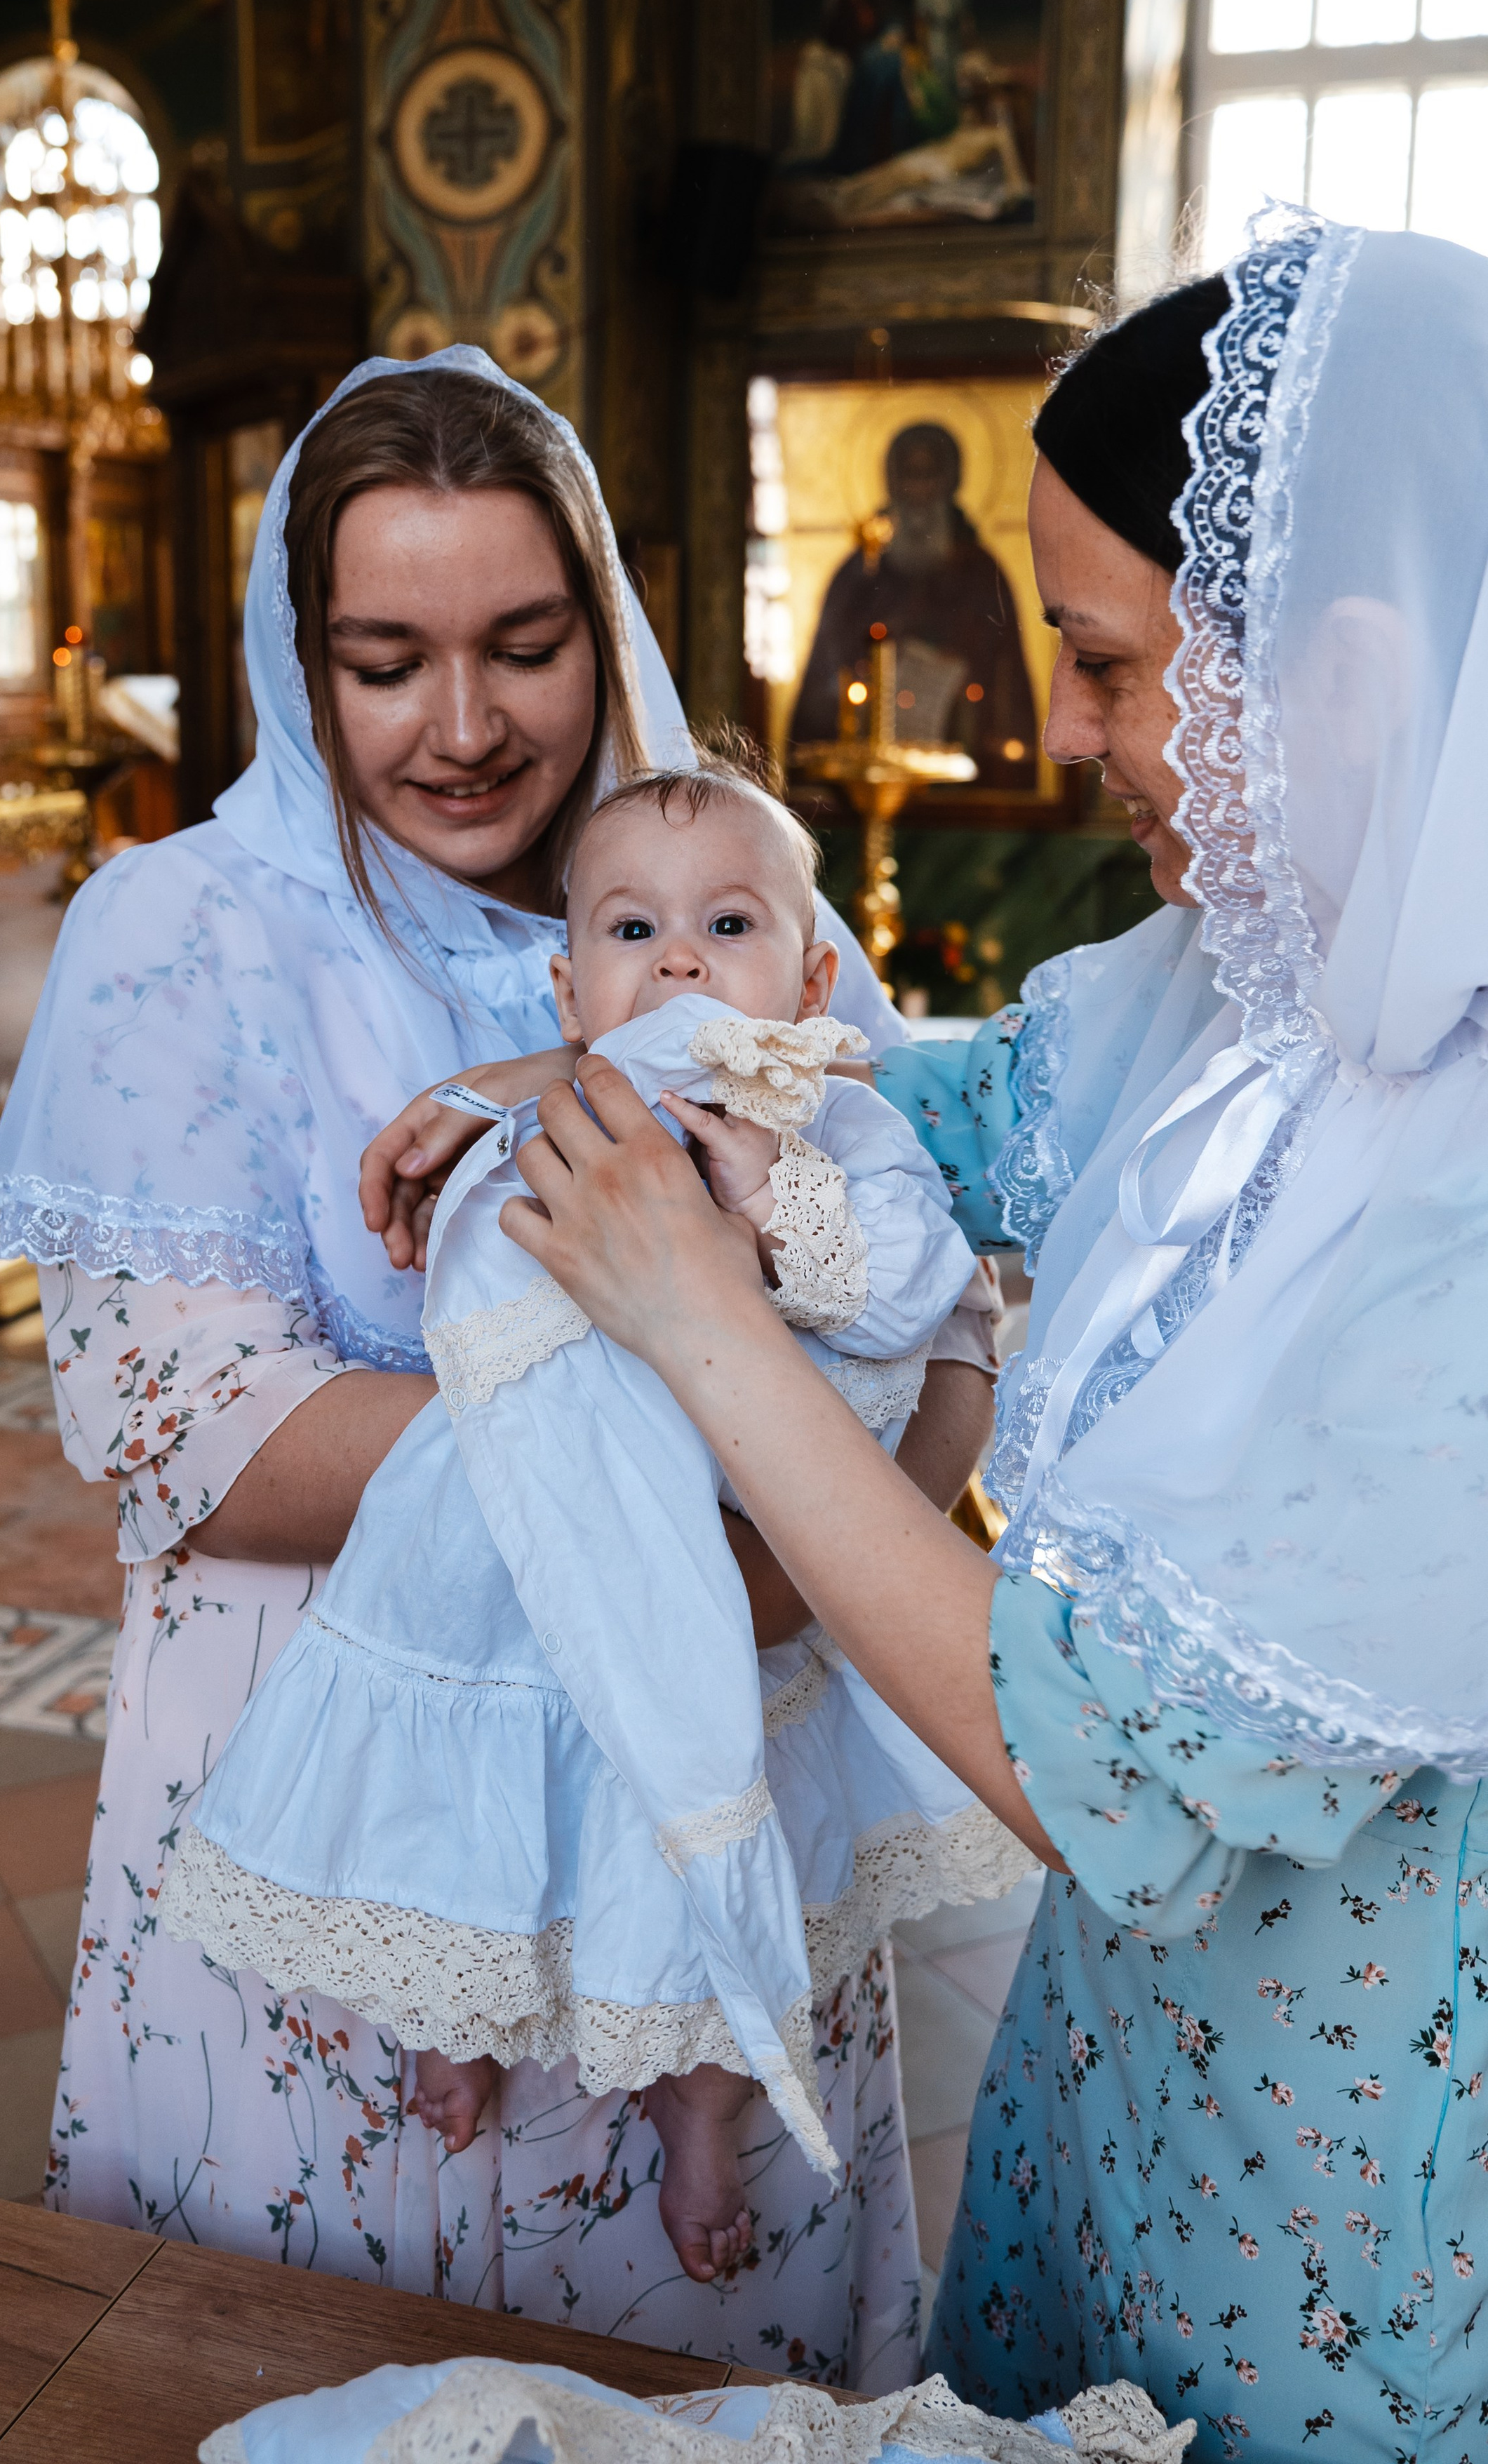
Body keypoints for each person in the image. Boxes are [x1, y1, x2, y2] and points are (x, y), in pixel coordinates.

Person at [473, 214, 1488, 2454]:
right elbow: (920, 1094)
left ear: (1339, 664)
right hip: (1104, 2084)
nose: (1056, 726)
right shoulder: (1224, 984)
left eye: (1106, 662)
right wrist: (608, 1068)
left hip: (1353, 2222)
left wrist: (704, 1335)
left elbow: (1100, 1769)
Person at [0, 347, 1003, 2385]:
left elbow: (943, 1317)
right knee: (336, 2372)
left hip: (725, 1752)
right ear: (299, 658)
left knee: (696, 2386)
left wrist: (775, 1507)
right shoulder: (177, 929)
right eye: (384, 660)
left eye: (523, 646)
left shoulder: (728, 891)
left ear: (602, 627)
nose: (460, 728)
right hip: (369, 1795)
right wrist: (701, 1461)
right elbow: (192, 1426)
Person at [162, 759, 1026, 2286]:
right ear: (570, 988)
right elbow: (482, 1285)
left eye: (729, 923)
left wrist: (770, 1193)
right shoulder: (560, 1112)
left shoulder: (832, 1127)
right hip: (529, 1554)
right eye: (631, 928)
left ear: (812, 977)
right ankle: (463, 2022)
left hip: (722, 1562)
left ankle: (702, 2113)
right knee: (484, 1824)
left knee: (683, 1841)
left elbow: (909, 1286)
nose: (679, 960)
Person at [790, 424, 1036, 789]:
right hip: (863, 774)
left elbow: (1006, 682)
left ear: (949, 481)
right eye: (908, 474)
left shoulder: (982, 573)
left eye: (929, 474)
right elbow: (825, 672)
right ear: (891, 481)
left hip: (964, 775)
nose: (918, 490)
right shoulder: (858, 573)